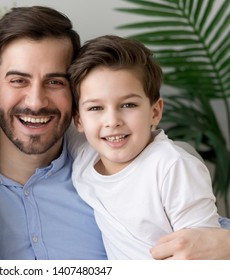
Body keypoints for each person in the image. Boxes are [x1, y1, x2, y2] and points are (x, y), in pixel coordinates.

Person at [0, 6, 230, 259]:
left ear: (74, 100)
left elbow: (202, 240)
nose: (36, 102)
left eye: (55, 82)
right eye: (18, 81)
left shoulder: (101, 158)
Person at [66, 35, 220, 259]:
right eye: (96, 108)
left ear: (155, 112)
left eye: (128, 105)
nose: (112, 121)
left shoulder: (173, 167)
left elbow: (205, 252)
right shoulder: (85, 153)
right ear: (78, 120)